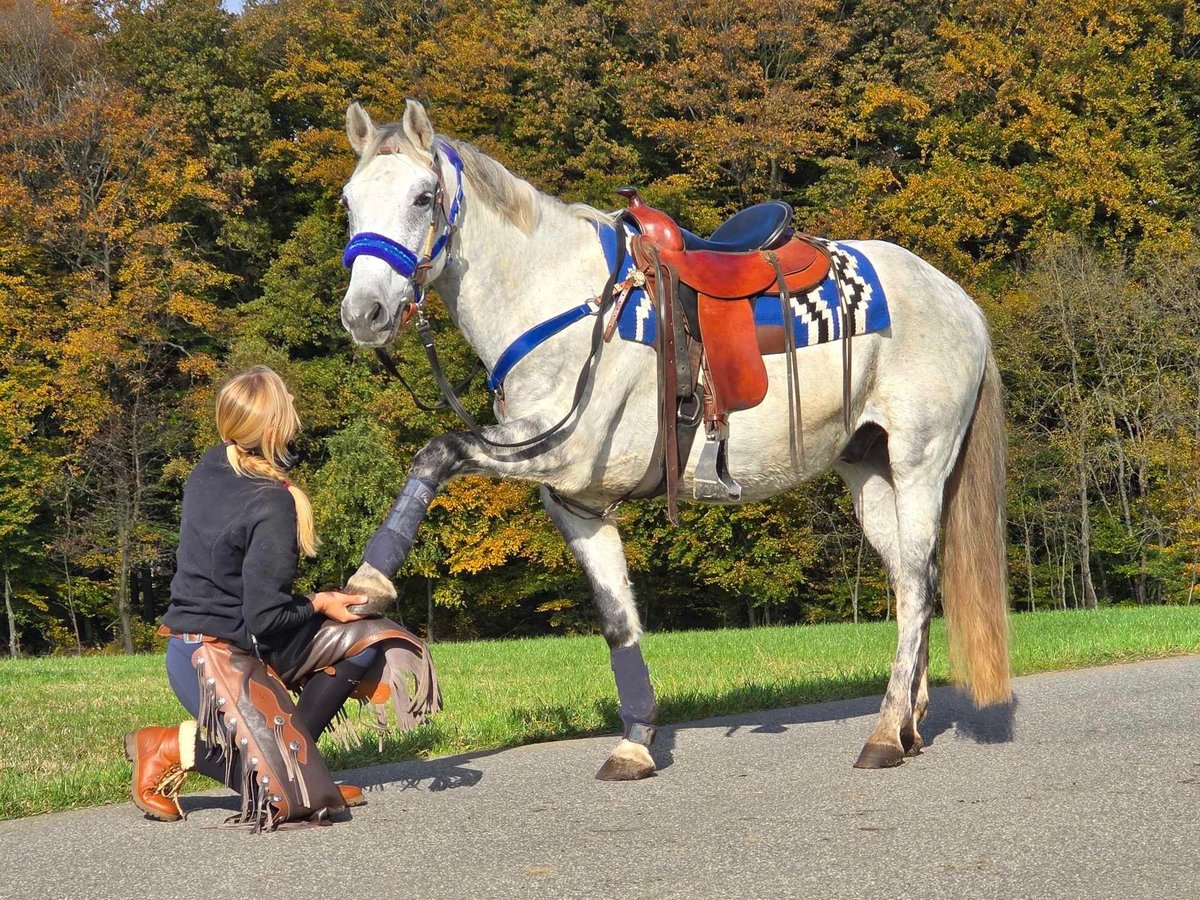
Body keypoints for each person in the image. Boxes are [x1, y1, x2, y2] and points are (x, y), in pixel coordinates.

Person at [125, 366, 440, 830]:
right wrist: (320, 602)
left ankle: (306, 768)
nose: (294, 399)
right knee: (290, 804)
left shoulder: (211, 464)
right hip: (211, 665)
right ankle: (169, 745)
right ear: (274, 428)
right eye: (287, 399)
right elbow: (268, 618)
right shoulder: (271, 502)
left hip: (212, 645)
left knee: (364, 639)